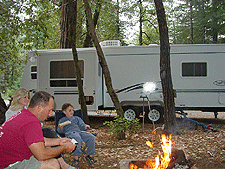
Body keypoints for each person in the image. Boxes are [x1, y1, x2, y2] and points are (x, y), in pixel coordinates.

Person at [0, 91, 76, 169]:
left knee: (51, 157)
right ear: (39, 108)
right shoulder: (31, 122)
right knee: (52, 165)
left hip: (9, 159)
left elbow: (35, 140)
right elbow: (41, 155)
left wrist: (59, 141)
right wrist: (64, 148)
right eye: (49, 110)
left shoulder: (24, 114)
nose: (50, 114)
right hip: (8, 165)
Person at [57, 103, 96, 168]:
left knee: (91, 137)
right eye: (69, 110)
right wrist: (60, 128)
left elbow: (82, 126)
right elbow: (60, 131)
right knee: (77, 138)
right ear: (64, 112)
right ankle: (76, 158)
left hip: (79, 132)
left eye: (72, 110)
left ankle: (90, 156)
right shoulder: (62, 120)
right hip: (70, 134)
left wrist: (86, 126)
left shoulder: (77, 118)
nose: (72, 112)